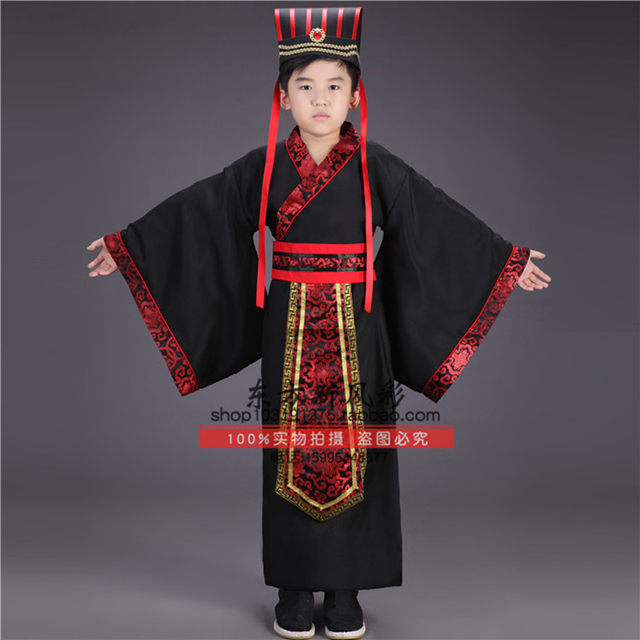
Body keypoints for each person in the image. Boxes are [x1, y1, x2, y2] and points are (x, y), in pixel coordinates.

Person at [86, 6, 551, 640]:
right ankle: (294, 588)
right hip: (289, 327)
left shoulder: (376, 165)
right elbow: (201, 211)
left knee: (361, 450)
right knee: (289, 451)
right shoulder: (262, 166)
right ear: (283, 98)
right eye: (305, 87)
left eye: (335, 86)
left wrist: (503, 261)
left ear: (356, 96)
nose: (321, 99)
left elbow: (434, 220)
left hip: (359, 329)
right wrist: (131, 246)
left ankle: (345, 591)